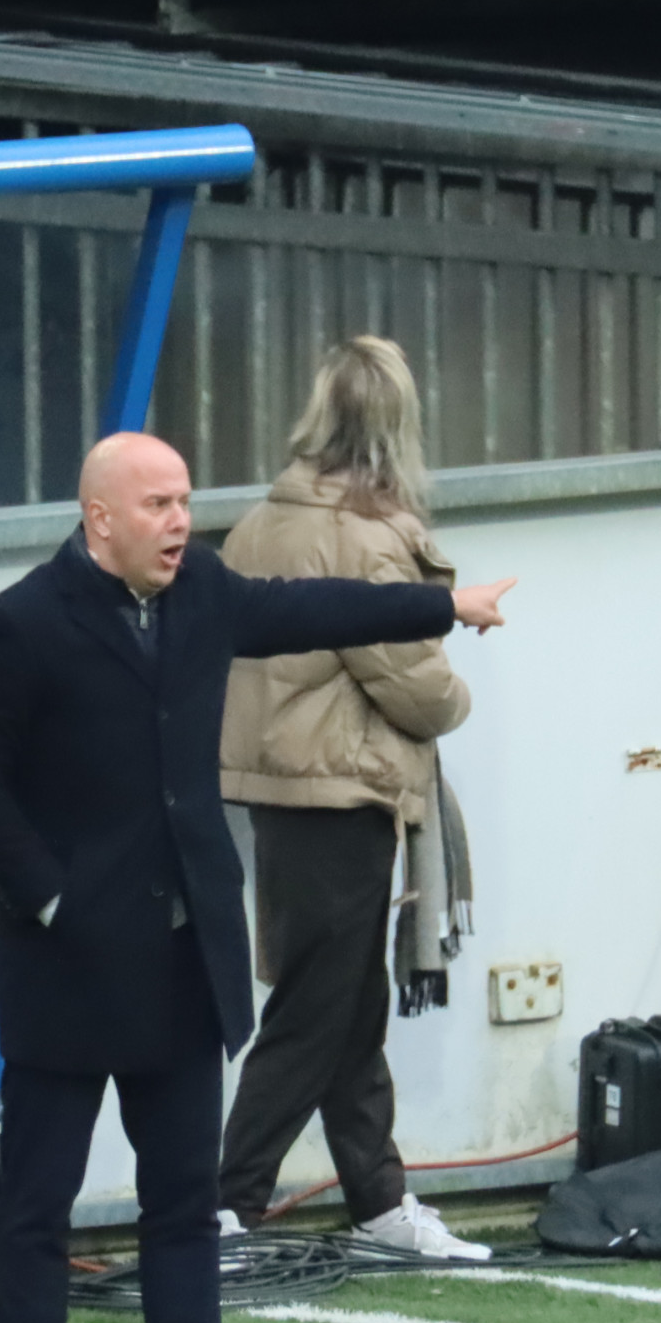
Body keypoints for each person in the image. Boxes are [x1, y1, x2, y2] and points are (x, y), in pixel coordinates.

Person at [0, 429, 517, 1323]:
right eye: (155, 504)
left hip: (180, 958)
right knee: (38, 1212)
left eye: (184, 502)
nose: (177, 523)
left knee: (183, 1206)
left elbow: (310, 612)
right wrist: (50, 893)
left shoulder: (202, 592)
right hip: (64, 965)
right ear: (97, 516)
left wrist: (444, 607)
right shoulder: (16, 625)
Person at [214, 336, 487, 1262]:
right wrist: (460, 691)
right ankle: (228, 1203)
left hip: (281, 790)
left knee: (345, 1001)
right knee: (317, 1008)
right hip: (345, 789)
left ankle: (377, 1194)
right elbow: (417, 686)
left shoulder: (258, 523)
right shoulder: (371, 543)